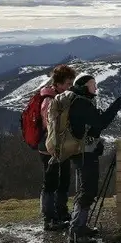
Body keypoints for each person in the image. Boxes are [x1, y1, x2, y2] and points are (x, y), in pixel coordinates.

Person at [62, 73, 121, 243]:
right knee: (87, 191)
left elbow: (91, 127)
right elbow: (100, 122)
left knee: (85, 190)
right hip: (84, 154)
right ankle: (76, 233)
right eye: (92, 84)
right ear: (84, 86)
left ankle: (81, 226)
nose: (96, 88)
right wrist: (115, 107)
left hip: (82, 151)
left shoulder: (78, 101)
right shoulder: (81, 103)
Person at [37, 64, 76, 231]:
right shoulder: (49, 100)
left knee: (64, 179)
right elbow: (50, 126)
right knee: (51, 182)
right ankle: (50, 218)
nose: (70, 86)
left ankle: (61, 212)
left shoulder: (62, 97)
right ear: (58, 84)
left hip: (62, 146)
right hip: (49, 147)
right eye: (68, 83)